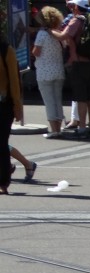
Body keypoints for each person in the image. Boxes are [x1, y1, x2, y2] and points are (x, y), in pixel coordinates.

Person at [60, 0, 90, 137]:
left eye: (73, 5)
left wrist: (49, 31)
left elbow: (64, 36)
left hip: (78, 63)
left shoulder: (76, 20)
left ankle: (82, 126)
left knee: (81, 97)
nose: (71, 8)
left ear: (77, 7)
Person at [33, 7, 67, 138]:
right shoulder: (57, 33)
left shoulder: (42, 34)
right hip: (58, 70)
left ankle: (54, 130)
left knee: (49, 102)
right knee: (57, 100)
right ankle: (58, 127)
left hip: (44, 72)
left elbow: (36, 52)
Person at [0, 34, 22, 195]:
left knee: (1, 143)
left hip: (3, 104)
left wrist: (17, 106)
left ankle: (3, 182)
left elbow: (14, 81)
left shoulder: (6, 50)